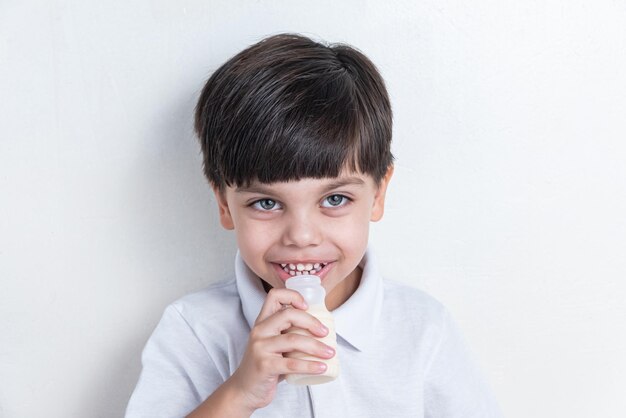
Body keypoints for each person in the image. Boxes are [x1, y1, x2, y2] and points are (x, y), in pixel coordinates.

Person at [125, 32, 502, 418]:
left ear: (378, 194)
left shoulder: (422, 328)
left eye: (335, 200)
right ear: (224, 203)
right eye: (267, 203)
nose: (302, 237)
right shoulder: (195, 330)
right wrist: (239, 394)